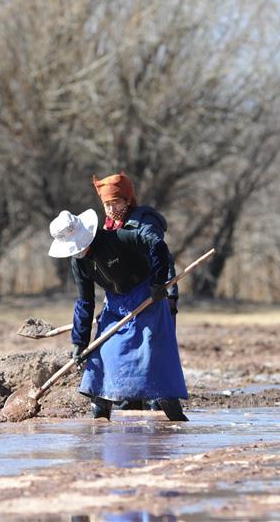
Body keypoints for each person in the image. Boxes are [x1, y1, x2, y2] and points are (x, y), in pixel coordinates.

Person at [47, 208, 189, 421]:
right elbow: (85, 301)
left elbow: (156, 244)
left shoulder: (118, 238)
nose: (78, 251)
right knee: (102, 358)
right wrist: (80, 341)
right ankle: (100, 422)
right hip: (115, 305)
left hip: (147, 298)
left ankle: (175, 420)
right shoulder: (79, 263)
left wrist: (159, 281)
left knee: (152, 358)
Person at [92, 172, 178, 412]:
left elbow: (163, 256)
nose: (110, 209)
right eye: (106, 204)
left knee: (152, 349)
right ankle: (131, 405)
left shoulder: (144, 222)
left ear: (128, 200)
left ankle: (160, 406)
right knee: (126, 352)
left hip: (155, 293)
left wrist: (168, 292)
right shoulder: (107, 227)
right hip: (126, 300)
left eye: (115, 203)